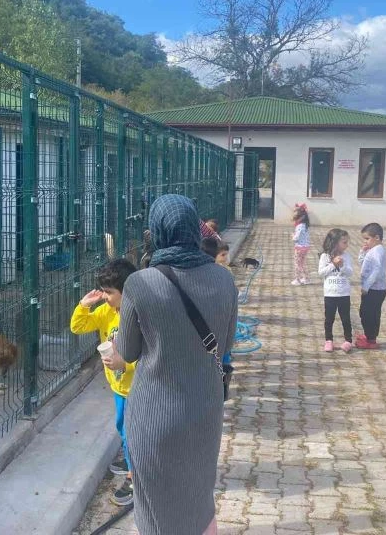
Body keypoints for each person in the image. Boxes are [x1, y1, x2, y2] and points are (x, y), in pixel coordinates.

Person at [114, 194, 238, 535]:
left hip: (154, 414)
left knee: (155, 507)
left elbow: (127, 351)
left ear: (157, 231)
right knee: (198, 497)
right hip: (205, 410)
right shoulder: (224, 279)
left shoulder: (140, 283)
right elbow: (226, 345)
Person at [69, 258, 137, 506]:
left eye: (109, 292)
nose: (105, 297)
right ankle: (131, 461)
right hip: (118, 386)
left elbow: (149, 354)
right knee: (122, 427)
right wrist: (83, 305)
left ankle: (135, 479)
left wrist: (125, 364)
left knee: (132, 434)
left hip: (137, 387)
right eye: (104, 291)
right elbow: (78, 327)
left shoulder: (137, 317)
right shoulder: (106, 312)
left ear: (126, 292)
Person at [318, 228, 354, 353]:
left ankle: (348, 341)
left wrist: (342, 266)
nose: (346, 245)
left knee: (345, 318)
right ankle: (329, 340)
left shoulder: (346, 256)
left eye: (347, 242)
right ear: (334, 242)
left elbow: (350, 273)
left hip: (344, 293)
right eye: (344, 242)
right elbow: (321, 272)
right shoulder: (325, 256)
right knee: (329, 318)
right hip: (330, 293)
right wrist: (333, 264)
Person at [357, 223, 386, 349]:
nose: (365, 241)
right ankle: (369, 335)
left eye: (367, 239)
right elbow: (362, 263)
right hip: (372, 288)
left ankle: (371, 339)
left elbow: (376, 270)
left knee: (369, 314)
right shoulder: (372, 250)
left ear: (377, 237)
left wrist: (366, 286)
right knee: (365, 312)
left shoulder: (378, 251)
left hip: (375, 289)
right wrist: (362, 252)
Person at [291, 203, 311, 285]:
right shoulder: (305, 225)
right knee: (302, 263)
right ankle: (306, 279)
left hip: (299, 248)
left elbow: (296, 238)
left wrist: (293, 236)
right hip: (305, 247)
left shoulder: (300, 226)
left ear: (301, 217)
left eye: (296, 219)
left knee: (297, 263)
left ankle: (297, 280)